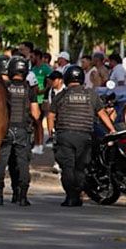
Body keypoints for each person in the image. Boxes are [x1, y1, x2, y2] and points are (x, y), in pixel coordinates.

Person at [47, 64, 116, 206]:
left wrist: (51, 132)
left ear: (66, 78)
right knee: (80, 168)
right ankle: (77, 195)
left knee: (67, 168)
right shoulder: (91, 94)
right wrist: (112, 129)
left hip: (65, 136)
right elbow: (102, 113)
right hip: (84, 137)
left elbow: (51, 115)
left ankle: (71, 197)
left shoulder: (61, 96)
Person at [0, 57, 40, 206]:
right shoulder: (29, 89)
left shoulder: (3, 87)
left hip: (5, 129)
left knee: (1, 162)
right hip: (22, 130)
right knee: (22, 164)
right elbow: (36, 114)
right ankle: (22, 197)